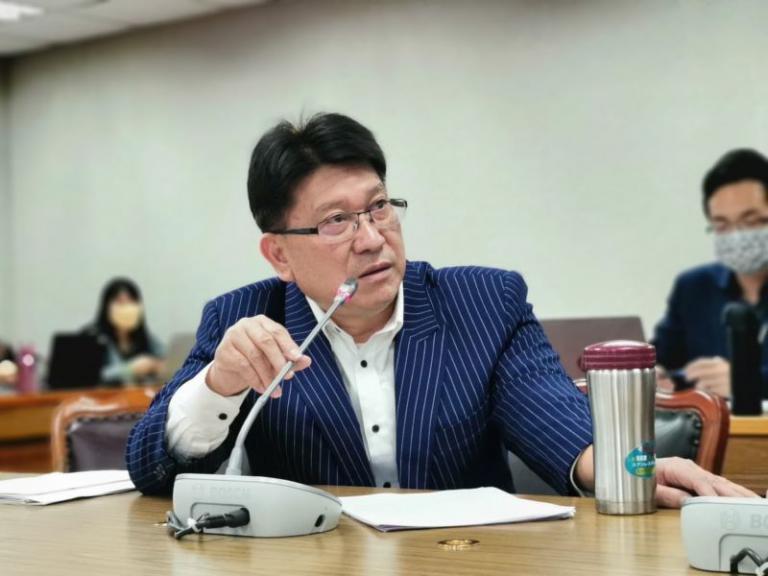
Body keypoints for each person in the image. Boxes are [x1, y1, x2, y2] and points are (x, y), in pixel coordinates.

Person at [127, 113, 754, 507]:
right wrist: (219, 385)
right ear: (280, 255)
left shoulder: (484, 303)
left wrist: (626, 471)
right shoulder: (243, 318)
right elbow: (150, 465)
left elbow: (556, 420)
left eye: (378, 207)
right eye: (337, 221)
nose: (371, 238)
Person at [654, 149, 768, 398]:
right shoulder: (693, 288)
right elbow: (664, 359)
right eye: (722, 225)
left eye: (751, 221)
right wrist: (657, 375)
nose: (737, 236)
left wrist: (748, 382)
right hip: (709, 422)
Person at [85, 278, 165, 385]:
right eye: (120, 302)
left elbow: (167, 360)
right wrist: (129, 369)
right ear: (107, 307)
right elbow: (90, 375)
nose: (127, 308)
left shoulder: (145, 337)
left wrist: (155, 365)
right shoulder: (93, 336)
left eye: (131, 302)